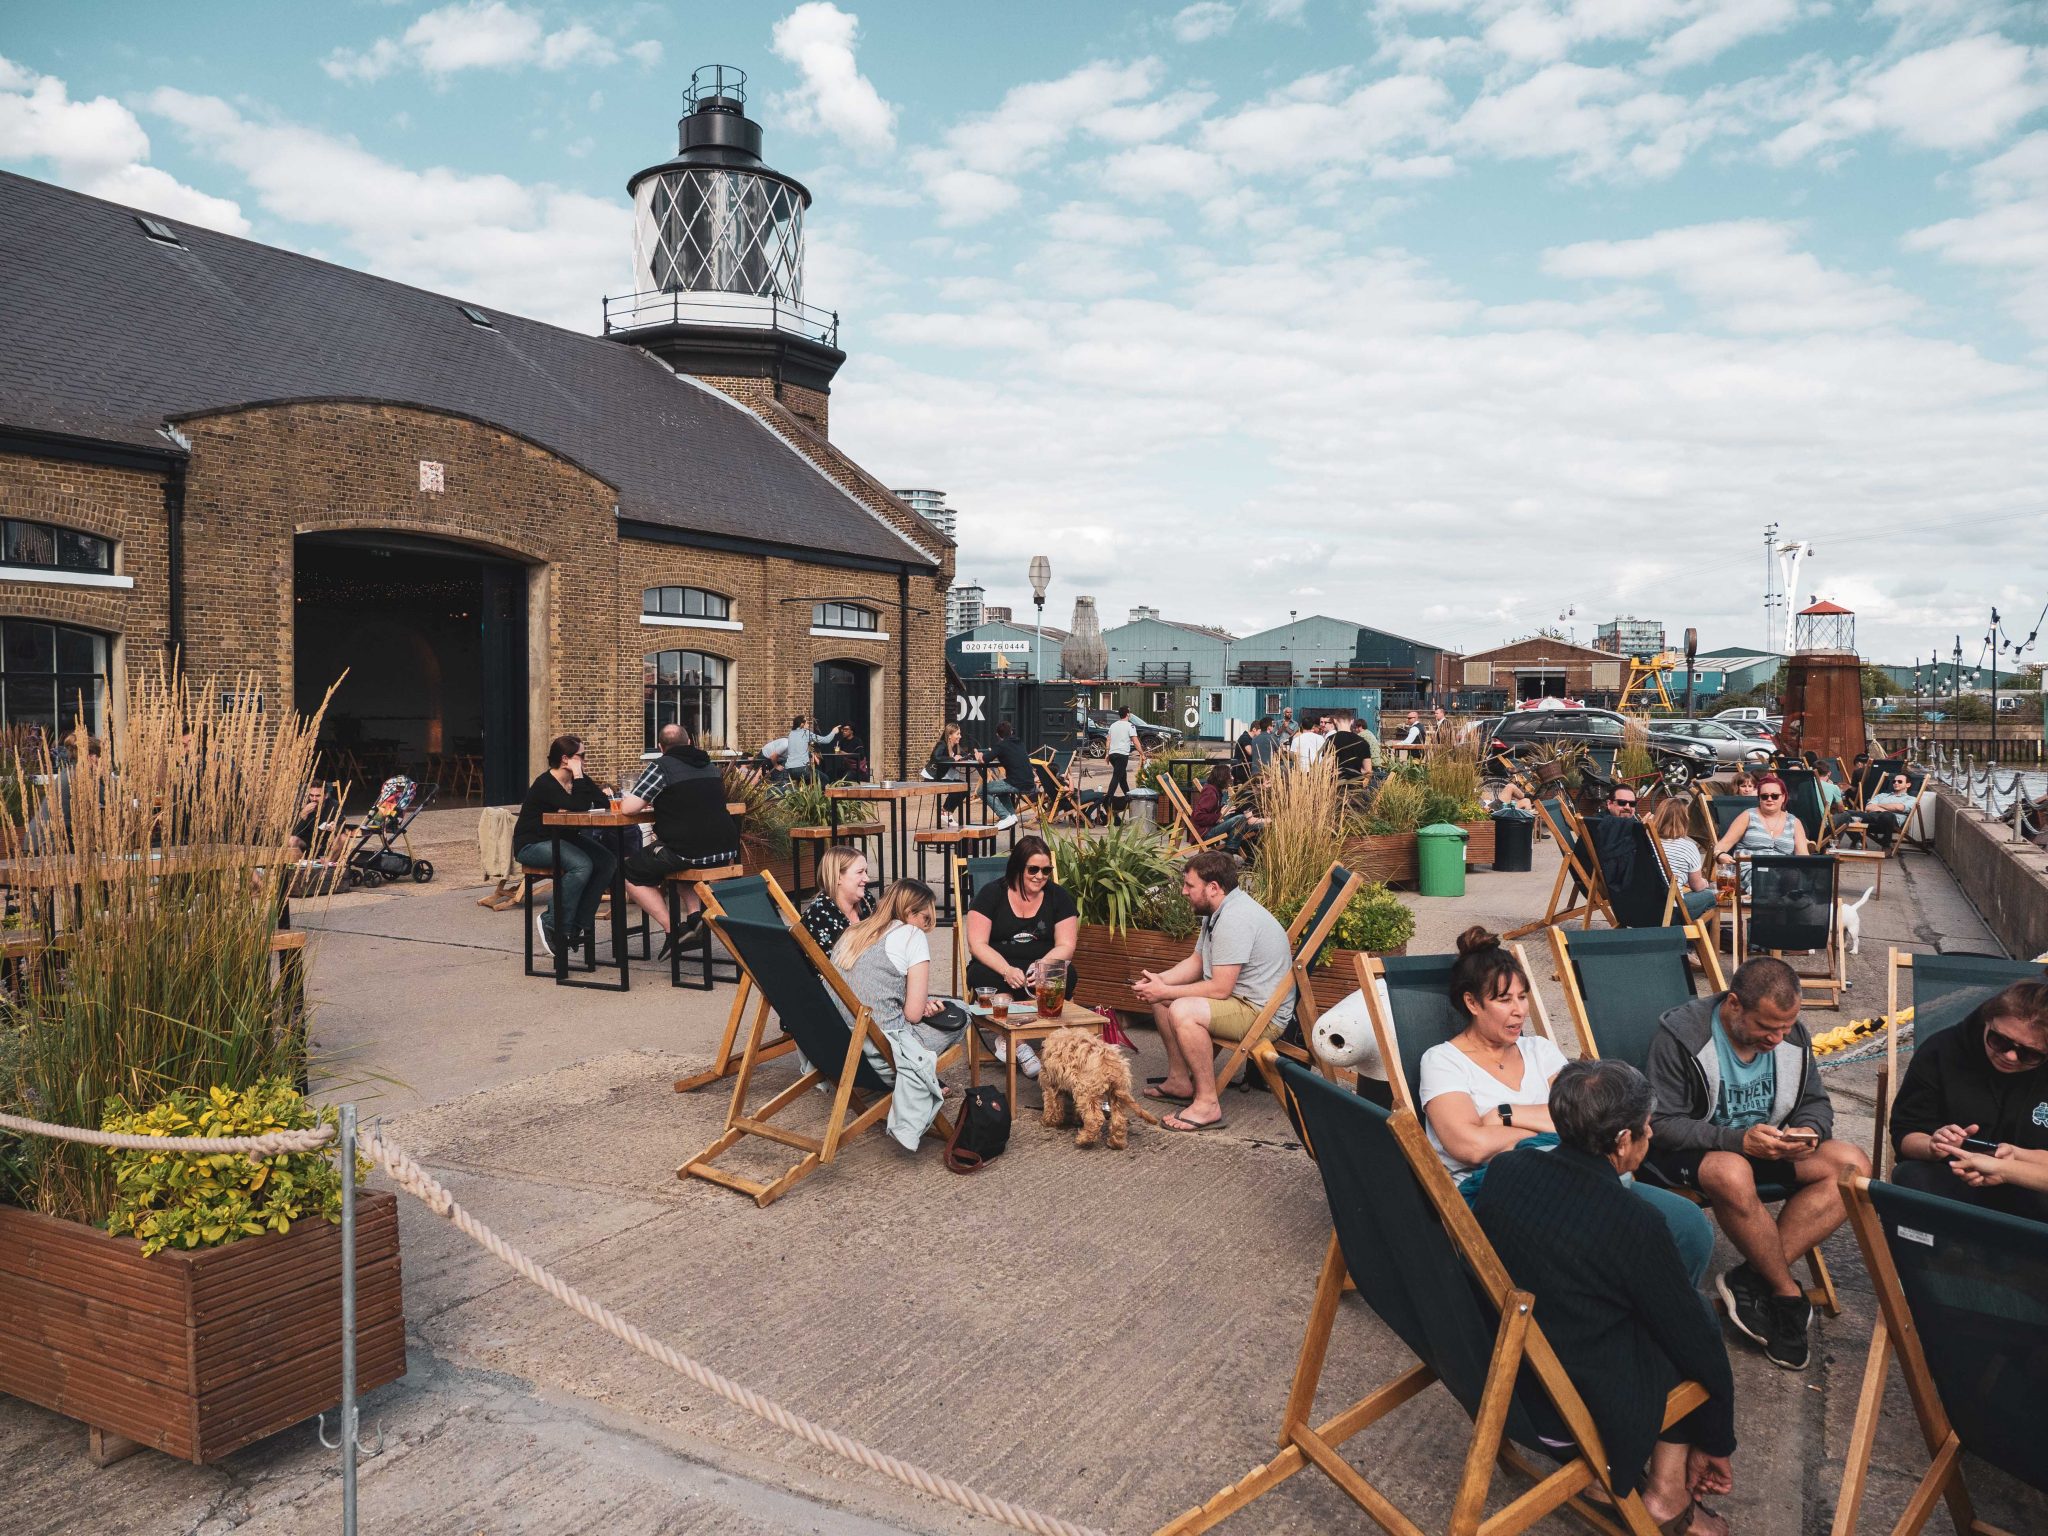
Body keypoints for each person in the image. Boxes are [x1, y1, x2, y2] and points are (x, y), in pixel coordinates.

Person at [1474, 1060, 1737, 1536]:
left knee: (1658, 1312)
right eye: (1646, 1128)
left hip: (1501, 1376)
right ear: (1621, 1142)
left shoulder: (1509, 1169)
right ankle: (1665, 1494)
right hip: (1566, 1411)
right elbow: (1695, 1343)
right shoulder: (1634, 1222)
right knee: (1691, 1321)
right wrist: (1717, 1441)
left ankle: (1626, 1484)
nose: (1650, 1137)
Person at [1418, 928, 1714, 1284]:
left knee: (1688, 1225)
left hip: (1577, 1178)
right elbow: (1469, 1146)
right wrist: (1547, 1130)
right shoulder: (1443, 1061)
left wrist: (1505, 1116)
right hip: (1499, 1195)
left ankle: (1650, 1322)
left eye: (1523, 997)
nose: (1518, 1011)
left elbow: (1587, 1119)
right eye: (1504, 1000)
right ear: (1471, 1003)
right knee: (1622, 1240)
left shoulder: (1539, 1050)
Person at [1645, 956, 1870, 1371]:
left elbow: (1815, 1102)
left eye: (1786, 1027)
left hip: (1766, 1146)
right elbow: (1659, 1123)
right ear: (1733, 1004)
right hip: (1696, 1153)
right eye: (1767, 1028)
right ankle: (1784, 1291)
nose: (1778, 1038)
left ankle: (1749, 1277)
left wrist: (1808, 1131)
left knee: (1850, 1166)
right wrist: (1735, 1140)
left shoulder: (1792, 1034)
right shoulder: (1681, 1036)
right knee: (1733, 1171)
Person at [1133, 851, 1293, 1134]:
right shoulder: (1218, 912)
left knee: (1182, 1008)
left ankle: (1207, 1103)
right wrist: (1159, 982)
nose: (1183, 891)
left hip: (1260, 1013)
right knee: (1162, 999)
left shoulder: (1235, 919)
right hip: (1239, 1001)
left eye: (1189, 886)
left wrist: (1168, 991)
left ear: (1214, 887)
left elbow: (1220, 988)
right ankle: (1180, 1080)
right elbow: (1196, 962)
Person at [1889, 975, 2048, 1221]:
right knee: (1911, 1177)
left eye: (2029, 1053)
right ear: (1988, 1021)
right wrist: (1934, 1145)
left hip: (2031, 1183)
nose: (2010, 1056)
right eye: (1999, 1040)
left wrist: (2010, 1165)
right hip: (1950, 1174)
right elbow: (1905, 1134)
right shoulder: (1942, 1051)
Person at [833, 879, 966, 1148]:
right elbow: (914, 1015)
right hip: (880, 1055)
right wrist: (917, 1004)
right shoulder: (910, 935)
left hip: (838, 1049)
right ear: (909, 914)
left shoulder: (853, 932)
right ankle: (916, 1081)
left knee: (931, 1004)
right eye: (925, 919)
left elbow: (871, 986)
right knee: (961, 1010)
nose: (926, 928)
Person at [619, 722, 743, 953]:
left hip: (689, 851)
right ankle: (695, 920)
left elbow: (628, 808)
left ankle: (672, 931)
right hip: (726, 850)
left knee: (628, 871)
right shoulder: (708, 765)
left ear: (659, 747)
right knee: (680, 870)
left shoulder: (661, 767)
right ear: (689, 742)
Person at [963, 836, 1077, 1079]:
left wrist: (1043, 967)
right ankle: (1017, 1044)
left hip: (1039, 964)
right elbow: (977, 944)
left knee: (1067, 974)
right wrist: (1006, 970)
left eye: (1046, 870)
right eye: (1033, 869)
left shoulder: (1058, 897)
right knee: (985, 976)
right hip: (998, 964)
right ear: (1018, 867)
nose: (1040, 876)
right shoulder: (991, 894)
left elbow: (1066, 945)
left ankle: (1033, 1044)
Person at [513, 734, 616, 959]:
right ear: (565, 759)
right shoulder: (545, 784)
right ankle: (552, 921)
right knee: (582, 865)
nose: (585, 761)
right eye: (582, 756)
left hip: (563, 839)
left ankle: (577, 925)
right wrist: (578, 780)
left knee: (608, 861)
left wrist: (579, 786)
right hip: (533, 843)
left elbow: (603, 803)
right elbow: (580, 805)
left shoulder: (580, 781)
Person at [1713, 773, 1808, 890]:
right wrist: (1719, 854)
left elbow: (1803, 856)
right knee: (1767, 877)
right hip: (1752, 868)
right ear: (1759, 798)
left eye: (1774, 796)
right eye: (1764, 796)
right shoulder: (1748, 816)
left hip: (1784, 872)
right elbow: (1723, 845)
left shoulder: (1794, 822)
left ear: (1783, 797)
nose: (1769, 799)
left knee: (1795, 878)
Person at [1652, 797, 1720, 929]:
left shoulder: (1645, 842)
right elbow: (1696, 886)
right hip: (1670, 912)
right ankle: (1696, 943)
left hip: (1642, 909)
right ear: (1684, 820)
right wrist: (1706, 883)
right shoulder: (1687, 847)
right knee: (1710, 896)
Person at [800, 844, 872, 953]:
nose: (867, 878)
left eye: (865, 872)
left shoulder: (866, 900)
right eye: (860, 872)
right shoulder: (819, 916)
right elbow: (836, 966)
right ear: (838, 877)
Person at [1189, 762, 1263, 853]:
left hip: (1210, 828)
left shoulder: (1214, 790)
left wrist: (1221, 813)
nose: (1232, 778)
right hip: (1205, 833)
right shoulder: (1210, 793)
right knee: (1241, 818)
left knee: (1239, 821)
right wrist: (1219, 815)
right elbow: (1197, 816)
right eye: (1230, 775)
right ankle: (1230, 850)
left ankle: (1231, 851)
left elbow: (1210, 812)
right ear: (1222, 777)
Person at [925, 723, 978, 827]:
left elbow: (966, 756)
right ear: (950, 735)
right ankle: (945, 812)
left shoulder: (956, 747)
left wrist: (976, 755)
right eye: (958, 734)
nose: (960, 736)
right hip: (934, 778)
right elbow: (935, 757)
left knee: (965, 787)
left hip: (944, 776)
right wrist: (953, 759)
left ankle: (946, 811)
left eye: (960, 733)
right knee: (959, 786)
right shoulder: (942, 744)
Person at [981, 720, 1033, 824]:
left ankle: (1005, 816)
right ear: (1011, 732)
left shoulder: (1001, 745)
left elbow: (983, 760)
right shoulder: (1020, 742)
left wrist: (979, 756)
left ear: (997, 735)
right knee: (1001, 791)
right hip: (1030, 783)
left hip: (1015, 783)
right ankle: (1012, 815)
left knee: (982, 791)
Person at [1858, 771, 1918, 847]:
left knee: (1887, 816)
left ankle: (1886, 846)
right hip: (1873, 820)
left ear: (1908, 785)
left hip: (1891, 822)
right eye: (1894, 781)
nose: (1896, 783)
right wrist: (1887, 810)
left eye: (1899, 781)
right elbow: (1868, 807)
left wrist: (1879, 805)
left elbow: (1899, 807)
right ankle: (1858, 840)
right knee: (1847, 814)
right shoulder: (1882, 795)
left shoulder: (1911, 799)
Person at [1104, 706, 1140, 817]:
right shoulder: (1130, 726)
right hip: (1122, 754)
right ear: (1127, 714)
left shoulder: (1113, 725)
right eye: (1129, 713)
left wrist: (1107, 754)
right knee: (1116, 776)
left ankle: (1128, 797)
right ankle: (1108, 799)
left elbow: (1108, 739)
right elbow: (1135, 741)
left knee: (1122, 778)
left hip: (1113, 754)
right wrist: (1142, 754)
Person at [1326, 711, 1373, 782]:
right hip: (1355, 785)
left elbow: (1327, 766)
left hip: (1335, 784)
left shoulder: (1330, 740)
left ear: (1335, 720)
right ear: (1352, 721)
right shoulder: (1362, 742)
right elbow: (1368, 770)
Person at [781, 714, 817, 783]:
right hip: (800, 768)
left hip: (790, 768)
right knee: (824, 778)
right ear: (802, 724)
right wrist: (833, 732)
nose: (808, 725)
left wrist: (812, 754)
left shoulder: (791, 734)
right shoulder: (805, 733)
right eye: (806, 723)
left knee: (804, 781)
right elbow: (825, 740)